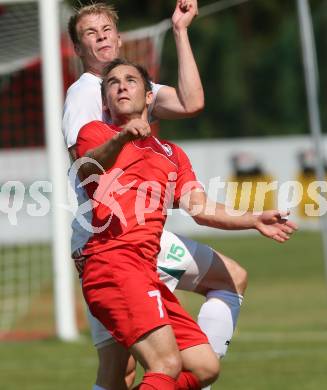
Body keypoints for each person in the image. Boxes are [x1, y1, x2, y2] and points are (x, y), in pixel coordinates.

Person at [75, 58, 297, 389]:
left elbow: (201, 207)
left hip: (146, 270)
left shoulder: (171, 154)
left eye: (131, 80)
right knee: (161, 364)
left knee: (205, 367)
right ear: (106, 100)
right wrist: (122, 139)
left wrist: (252, 219)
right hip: (112, 263)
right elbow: (88, 168)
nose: (121, 85)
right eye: (113, 83)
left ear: (149, 97)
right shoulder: (96, 133)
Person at [62, 1, 248, 389]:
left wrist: (181, 31)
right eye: (89, 34)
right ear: (79, 50)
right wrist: (120, 144)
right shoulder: (84, 94)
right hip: (106, 234)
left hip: (144, 235)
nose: (101, 38)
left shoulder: (131, 84)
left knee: (229, 282)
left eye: (106, 30)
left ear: (119, 35)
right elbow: (86, 161)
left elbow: (191, 101)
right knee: (122, 370)